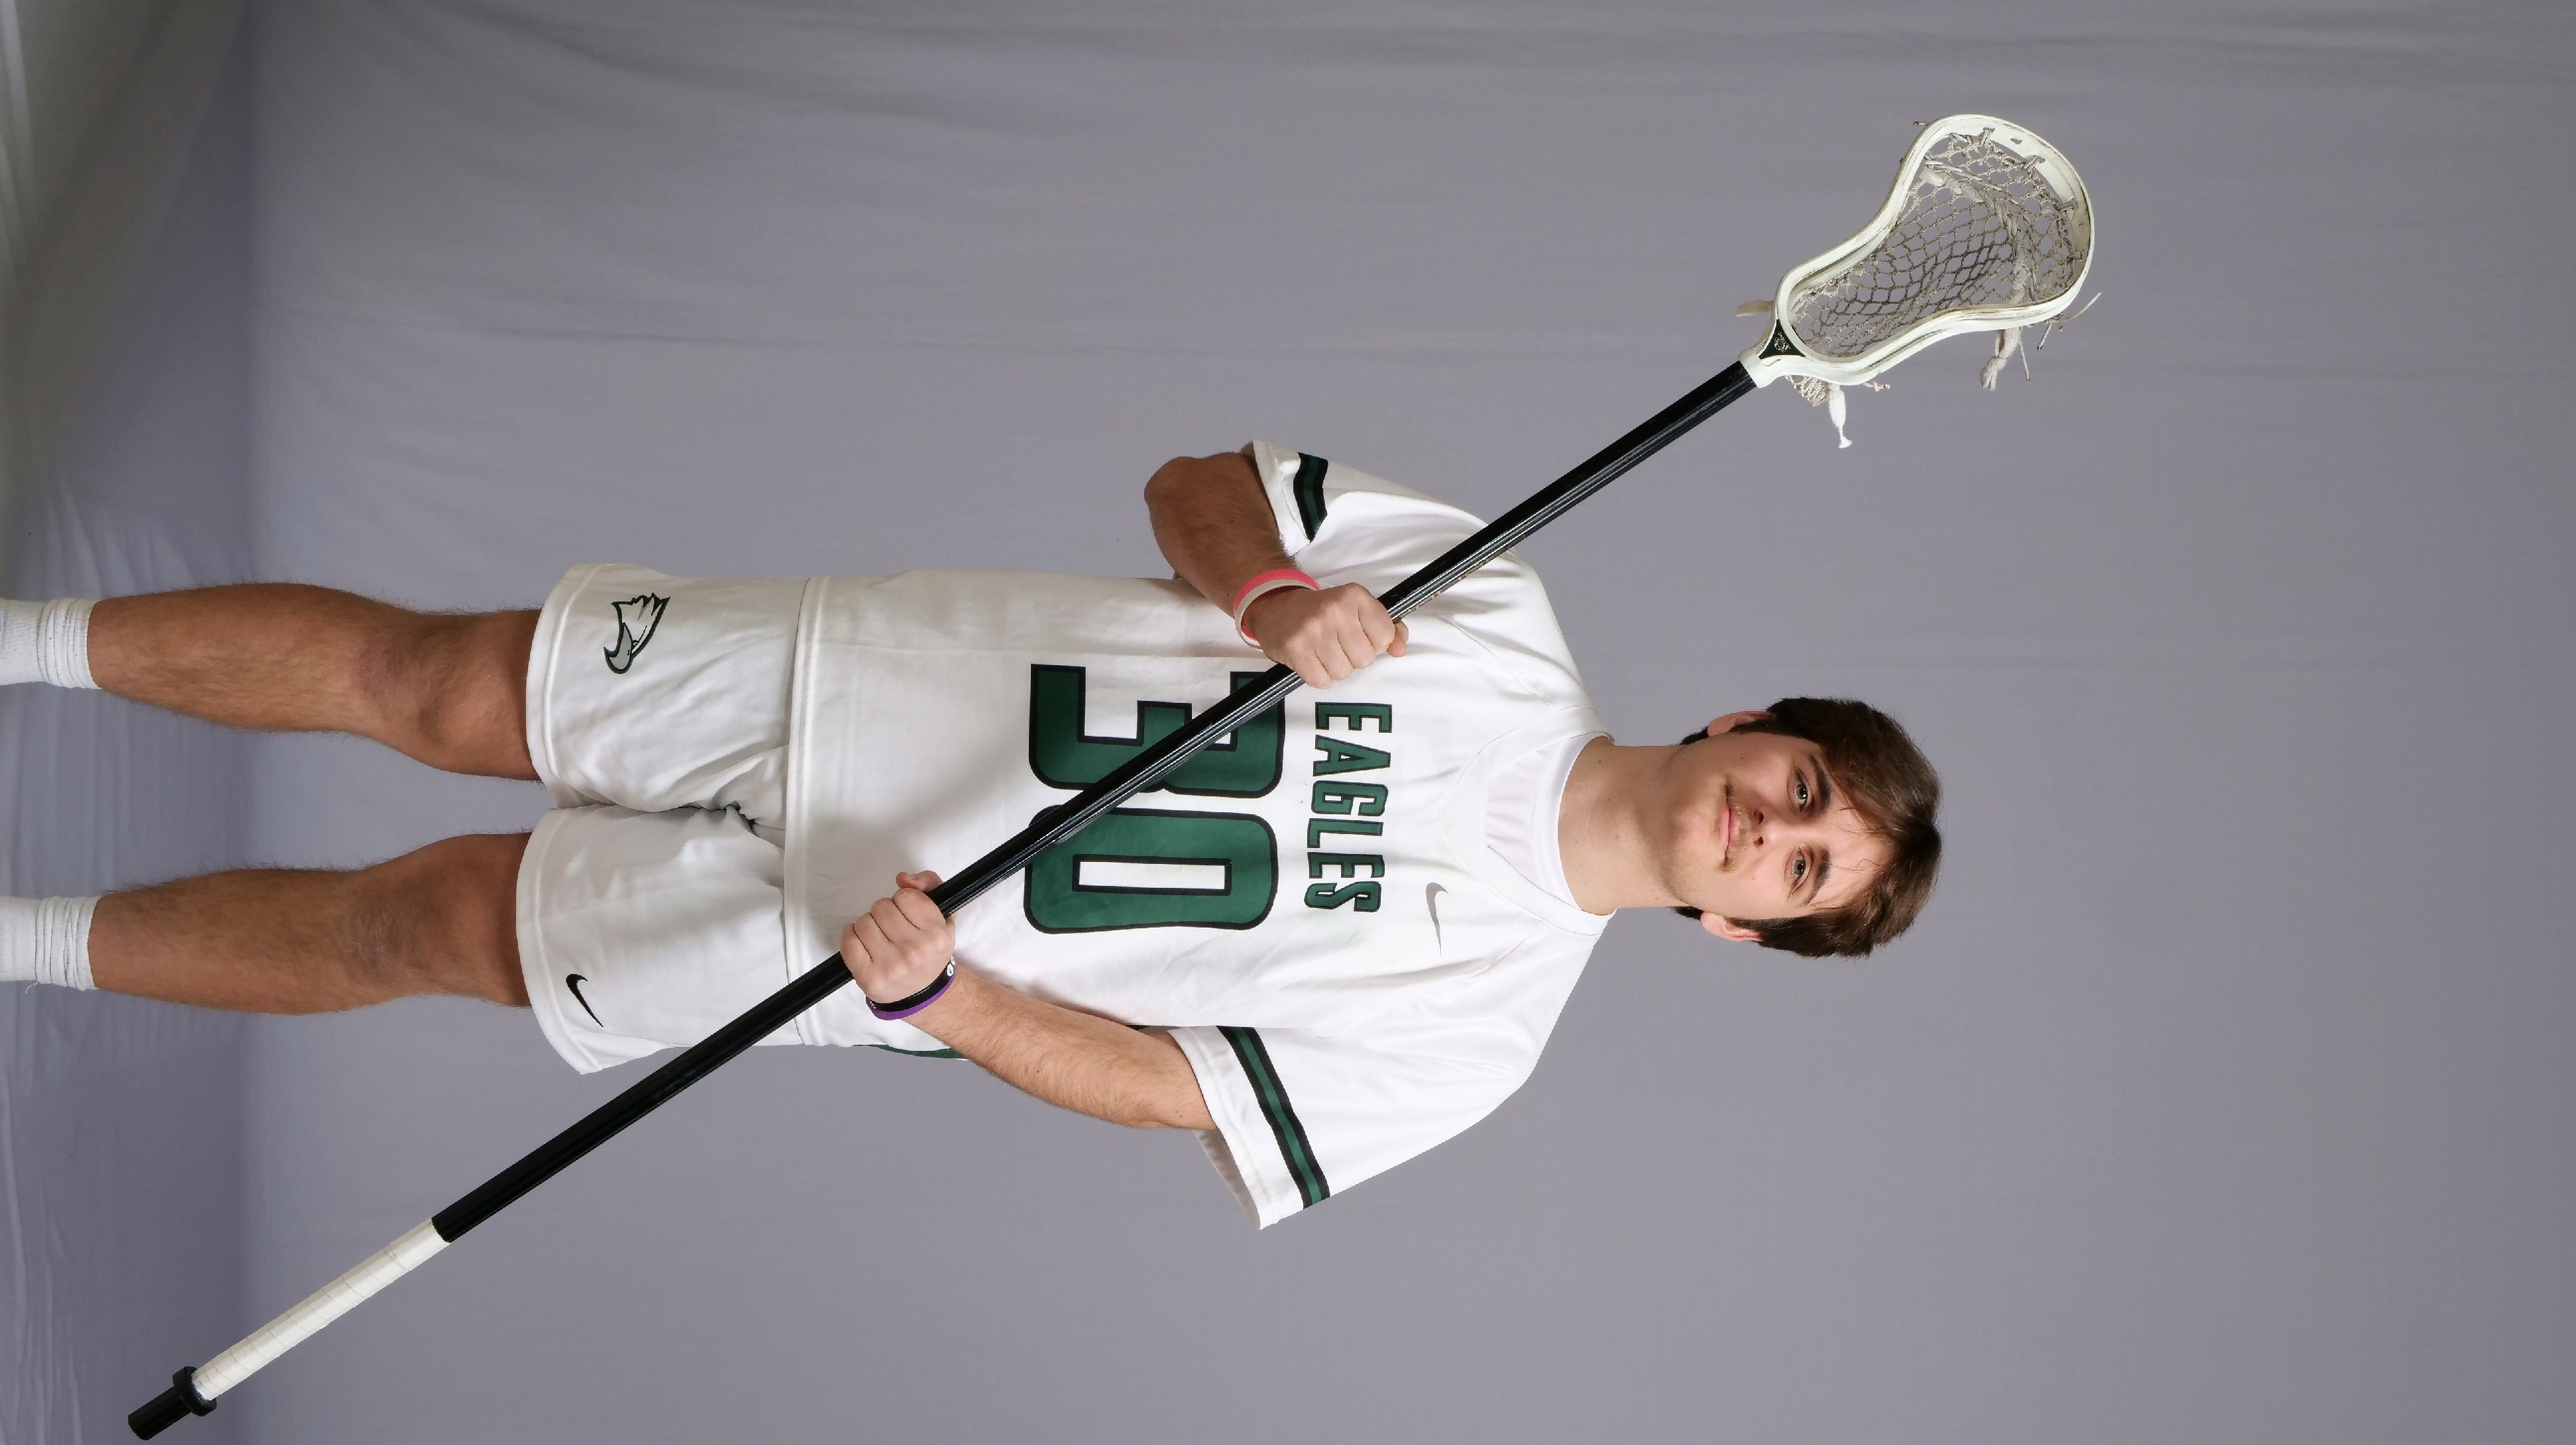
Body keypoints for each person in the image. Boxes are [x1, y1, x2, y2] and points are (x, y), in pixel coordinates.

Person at [0, 443, 1939, 1224]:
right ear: (1745, 725)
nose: (1770, 832)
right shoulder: (1497, 606)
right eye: (1800, 791)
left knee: (416, 928)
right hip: (852, 674)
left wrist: (949, 1004)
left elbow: (1181, 1089)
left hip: (858, 936)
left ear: (1740, 933)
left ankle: (16, 944)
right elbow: (1197, 485)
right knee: (429, 681)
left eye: (1801, 871)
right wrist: (1271, 593)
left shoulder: (1484, 1036)